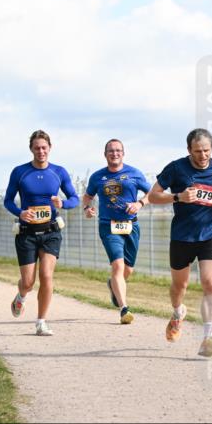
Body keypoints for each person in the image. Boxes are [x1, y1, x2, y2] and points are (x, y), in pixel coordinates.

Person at [146, 128, 212, 356]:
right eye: (198, 151)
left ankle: (208, 337)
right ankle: (177, 312)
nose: (203, 156)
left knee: (211, 283)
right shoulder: (176, 168)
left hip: (210, 233)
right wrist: (178, 196)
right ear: (189, 150)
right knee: (179, 287)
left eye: (207, 151)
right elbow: (153, 196)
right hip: (182, 236)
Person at [4, 130, 80, 336]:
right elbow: (8, 200)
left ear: (50, 148)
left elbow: (75, 198)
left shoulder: (59, 172)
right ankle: (21, 296)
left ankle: (41, 321)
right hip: (27, 233)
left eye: (44, 147)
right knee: (28, 282)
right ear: (31, 149)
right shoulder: (20, 172)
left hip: (51, 232)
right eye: (37, 148)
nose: (41, 151)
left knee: (46, 276)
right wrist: (20, 213)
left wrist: (62, 203)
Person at [82, 139, 151, 324]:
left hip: (131, 226)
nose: (115, 153)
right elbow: (88, 196)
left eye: (118, 150)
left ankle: (113, 286)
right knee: (118, 266)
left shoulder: (134, 173)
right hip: (108, 226)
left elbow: (152, 193)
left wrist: (139, 203)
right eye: (111, 151)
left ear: (123, 153)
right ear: (105, 154)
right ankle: (124, 309)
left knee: (128, 269)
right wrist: (87, 209)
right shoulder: (97, 177)